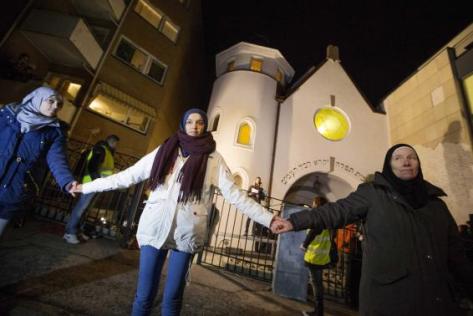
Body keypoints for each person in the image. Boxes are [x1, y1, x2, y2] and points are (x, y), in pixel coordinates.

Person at [72, 108, 282, 316]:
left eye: (199, 122)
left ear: (205, 126)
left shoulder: (213, 158)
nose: (194, 126)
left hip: (186, 232)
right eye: (190, 121)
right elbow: (127, 176)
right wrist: (85, 187)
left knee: (172, 298)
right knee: (144, 296)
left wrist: (269, 219)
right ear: (183, 124)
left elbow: (235, 195)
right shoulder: (165, 150)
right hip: (155, 228)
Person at [274, 144, 473, 316]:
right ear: (389, 165)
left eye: (411, 157)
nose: (406, 161)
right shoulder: (372, 194)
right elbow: (336, 211)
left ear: (418, 164)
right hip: (390, 302)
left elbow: (456, 256)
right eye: (398, 158)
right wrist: (294, 221)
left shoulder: (436, 204)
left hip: (437, 304)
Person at [0, 87, 78, 237]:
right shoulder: (6, 116)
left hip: (13, 192)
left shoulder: (55, 132)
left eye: (59, 104)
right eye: (51, 101)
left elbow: (57, 158)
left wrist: (67, 181)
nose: (56, 106)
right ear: (37, 99)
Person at [63, 134, 120, 244]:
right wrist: (97, 181)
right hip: (91, 184)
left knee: (85, 209)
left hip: (96, 185)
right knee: (81, 208)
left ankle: (78, 230)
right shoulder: (101, 149)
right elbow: (92, 166)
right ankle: (69, 232)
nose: (116, 146)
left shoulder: (106, 152)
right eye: (115, 143)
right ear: (111, 142)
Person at [300, 196, 337, 316]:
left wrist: (304, 245)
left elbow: (314, 231)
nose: (312, 204)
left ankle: (318, 312)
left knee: (317, 285)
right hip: (321, 257)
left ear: (317, 204)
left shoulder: (319, 219)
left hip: (314, 257)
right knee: (318, 284)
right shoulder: (329, 220)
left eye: (314, 203)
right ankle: (318, 310)